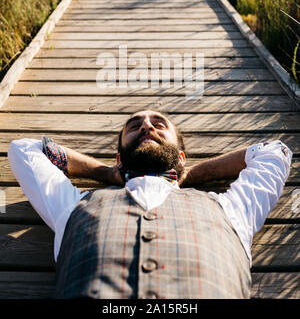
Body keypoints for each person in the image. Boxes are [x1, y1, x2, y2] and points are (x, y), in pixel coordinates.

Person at [8, 109, 292, 299]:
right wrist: (106, 172)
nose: (146, 125)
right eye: (135, 126)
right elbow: (26, 149)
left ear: (181, 157)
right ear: (119, 159)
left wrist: (188, 173)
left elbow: (274, 151)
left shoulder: (229, 209)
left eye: (158, 124)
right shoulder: (76, 205)